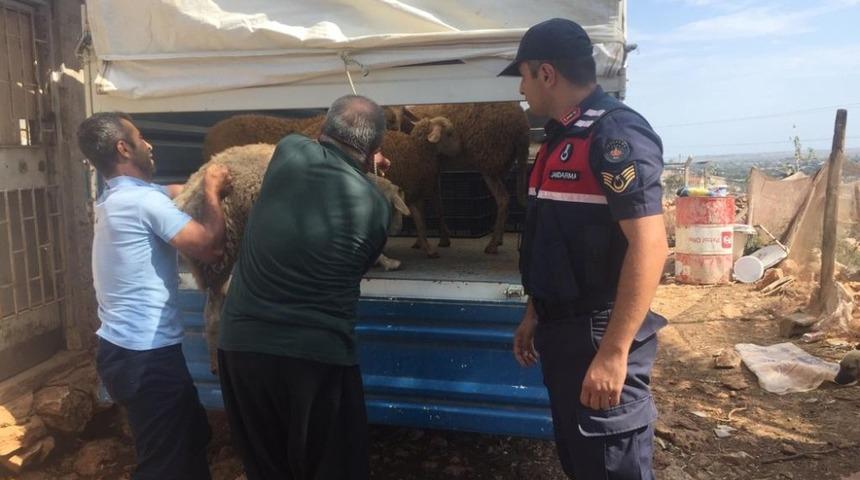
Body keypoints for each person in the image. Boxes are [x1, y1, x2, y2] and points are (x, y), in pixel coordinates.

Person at [500, 18, 669, 479]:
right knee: (582, 462)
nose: (522, 87)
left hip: (599, 331)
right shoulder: (559, 137)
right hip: (560, 331)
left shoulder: (613, 134)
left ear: (546, 73)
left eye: (523, 75)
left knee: (612, 464)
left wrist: (614, 353)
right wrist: (535, 311)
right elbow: (555, 238)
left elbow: (651, 245)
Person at [217, 95, 391, 480]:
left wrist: (361, 160)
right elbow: (355, 264)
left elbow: (319, 146)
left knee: (267, 468)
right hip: (318, 357)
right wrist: (369, 173)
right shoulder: (378, 207)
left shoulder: (289, 152)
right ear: (375, 150)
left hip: (242, 348)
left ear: (324, 129)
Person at [77, 112, 231, 479]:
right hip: (145, 359)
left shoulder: (121, 197)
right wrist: (210, 189)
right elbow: (209, 248)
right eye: (141, 137)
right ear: (123, 147)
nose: (149, 144)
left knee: (191, 436)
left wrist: (201, 183)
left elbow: (176, 192)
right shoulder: (141, 204)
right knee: (166, 464)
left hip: (132, 353)